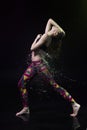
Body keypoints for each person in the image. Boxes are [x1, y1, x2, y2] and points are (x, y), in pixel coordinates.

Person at [16, 18, 80, 117]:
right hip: (33, 66)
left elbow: (32, 48)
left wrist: (36, 38)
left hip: (39, 65)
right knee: (21, 84)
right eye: (55, 29)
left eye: (56, 32)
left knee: (54, 85)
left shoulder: (46, 36)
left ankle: (74, 103)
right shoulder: (48, 36)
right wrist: (60, 30)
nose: (55, 32)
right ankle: (26, 108)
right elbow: (50, 20)